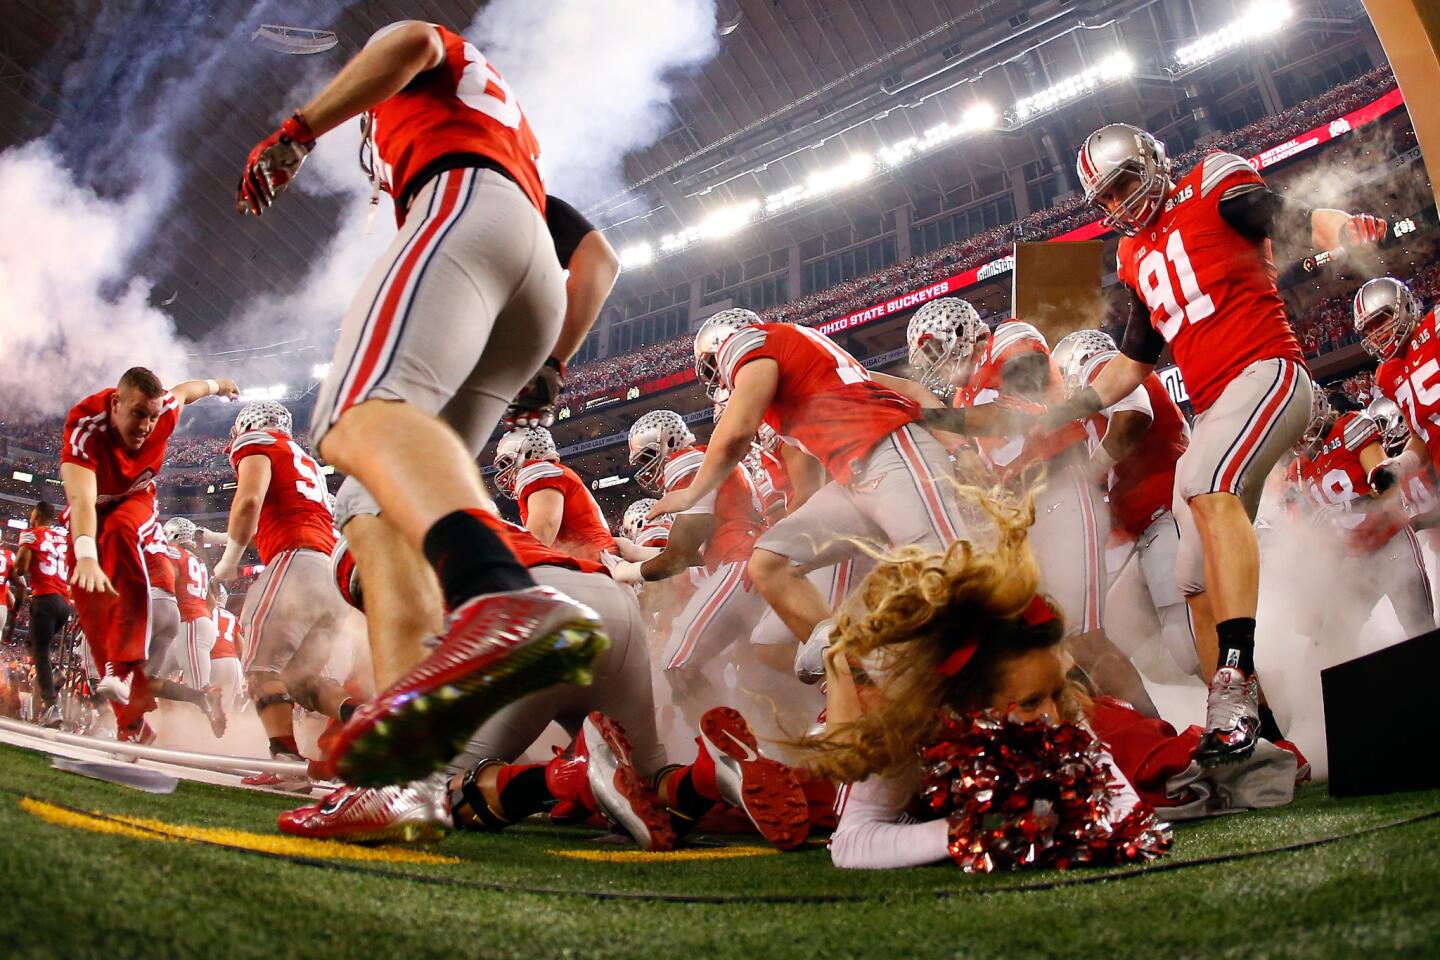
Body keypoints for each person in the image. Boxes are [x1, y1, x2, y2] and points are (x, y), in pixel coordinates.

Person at [236, 19, 609, 785]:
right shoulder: (510, 143)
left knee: (355, 412)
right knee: (381, 513)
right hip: (531, 271)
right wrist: (557, 362)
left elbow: (407, 46)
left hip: (465, 205)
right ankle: (407, 788)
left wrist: (298, 130)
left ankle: (499, 591)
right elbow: (597, 262)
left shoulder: (425, 70)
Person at [1035, 123, 1386, 761]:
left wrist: (1344, 230)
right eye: (1105, 199)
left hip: (1267, 371)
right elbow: (1132, 365)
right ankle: (1269, 740)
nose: (1119, 205)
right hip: (1215, 410)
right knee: (1192, 578)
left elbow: (1296, 217)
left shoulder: (1211, 184)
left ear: (1154, 163)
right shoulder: (1134, 259)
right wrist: (1062, 410)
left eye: (1124, 184)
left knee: (1210, 484)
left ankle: (1233, 675)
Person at [649, 308, 972, 678]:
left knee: (954, 582)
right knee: (770, 561)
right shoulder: (810, 362)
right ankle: (857, 682)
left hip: (889, 451)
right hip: (855, 479)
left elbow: (737, 431)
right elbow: (912, 390)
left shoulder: (750, 343)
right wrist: (960, 446)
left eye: (712, 367)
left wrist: (692, 495)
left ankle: (1012, 691)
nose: (720, 379)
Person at [59, 367, 238, 738]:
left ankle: (120, 675)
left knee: (122, 534)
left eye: (153, 416)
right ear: (115, 404)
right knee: (91, 607)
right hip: (97, 514)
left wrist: (219, 385)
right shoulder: (86, 424)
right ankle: (134, 727)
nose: (145, 426)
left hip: (136, 508)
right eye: (138, 414)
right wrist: (87, 555)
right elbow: (81, 500)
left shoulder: (164, 411)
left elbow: (185, 392)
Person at [210, 401, 356, 785]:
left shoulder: (259, 443)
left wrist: (229, 560)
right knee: (303, 680)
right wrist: (217, 538)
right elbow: (275, 515)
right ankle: (370, 720)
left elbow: (249, 502)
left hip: (298, 561)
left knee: (260, 668)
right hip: (330, 571)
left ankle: (285, 764)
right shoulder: (301, 459)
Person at [1051, 329, 1198, 679]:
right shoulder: (1101, 403)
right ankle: (1190, 708)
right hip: (1150, 526)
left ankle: (1265, 716)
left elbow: (1133, 416)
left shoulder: (1103, 366)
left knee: (1188, 642)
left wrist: (1090, 474)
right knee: (1119, 627)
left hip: (1166, 514)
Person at [616, 409, 770, 718]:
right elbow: (693, 555)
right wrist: (634, 553)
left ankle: (725, 750)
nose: (646, 468)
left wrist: (625, 570)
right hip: (750, 558)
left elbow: (679, 557)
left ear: (668, 442)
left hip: (739, 565)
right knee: (758, 672)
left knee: (676, 662)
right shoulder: (702, 460)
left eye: (648, 455)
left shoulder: (685, 464)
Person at [493, 426, 617, 563]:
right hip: (593, 564)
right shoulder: (555, 473)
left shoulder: (539, 472)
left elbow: (541, 536)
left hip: (590, 568)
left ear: (527, 453)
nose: (505, 472)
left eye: (507, 462)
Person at [13, 502, 72, 726]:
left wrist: (24, 548)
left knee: (40, 651)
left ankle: (51, 706)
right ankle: (54, 672)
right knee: (33, 644)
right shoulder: (62, 538)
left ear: (36, 514)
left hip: (45, 599)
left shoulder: (32, 534)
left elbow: (20, 567)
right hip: (63, 604)